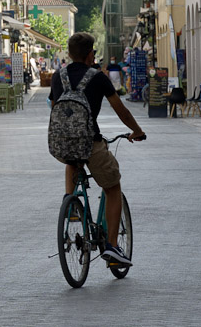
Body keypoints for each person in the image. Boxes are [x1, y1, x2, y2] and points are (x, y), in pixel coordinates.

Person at [50, 32, 145, 266]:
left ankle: (71, 203)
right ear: (91, 55)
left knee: (72, 160)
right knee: (113, 187)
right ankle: (112, 247)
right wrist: (136, 130)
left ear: (69, 54)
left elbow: (54, 108)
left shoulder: (58, 76)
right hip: (91, 142)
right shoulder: (97, 77)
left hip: (62, 143)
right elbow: (121, 110)